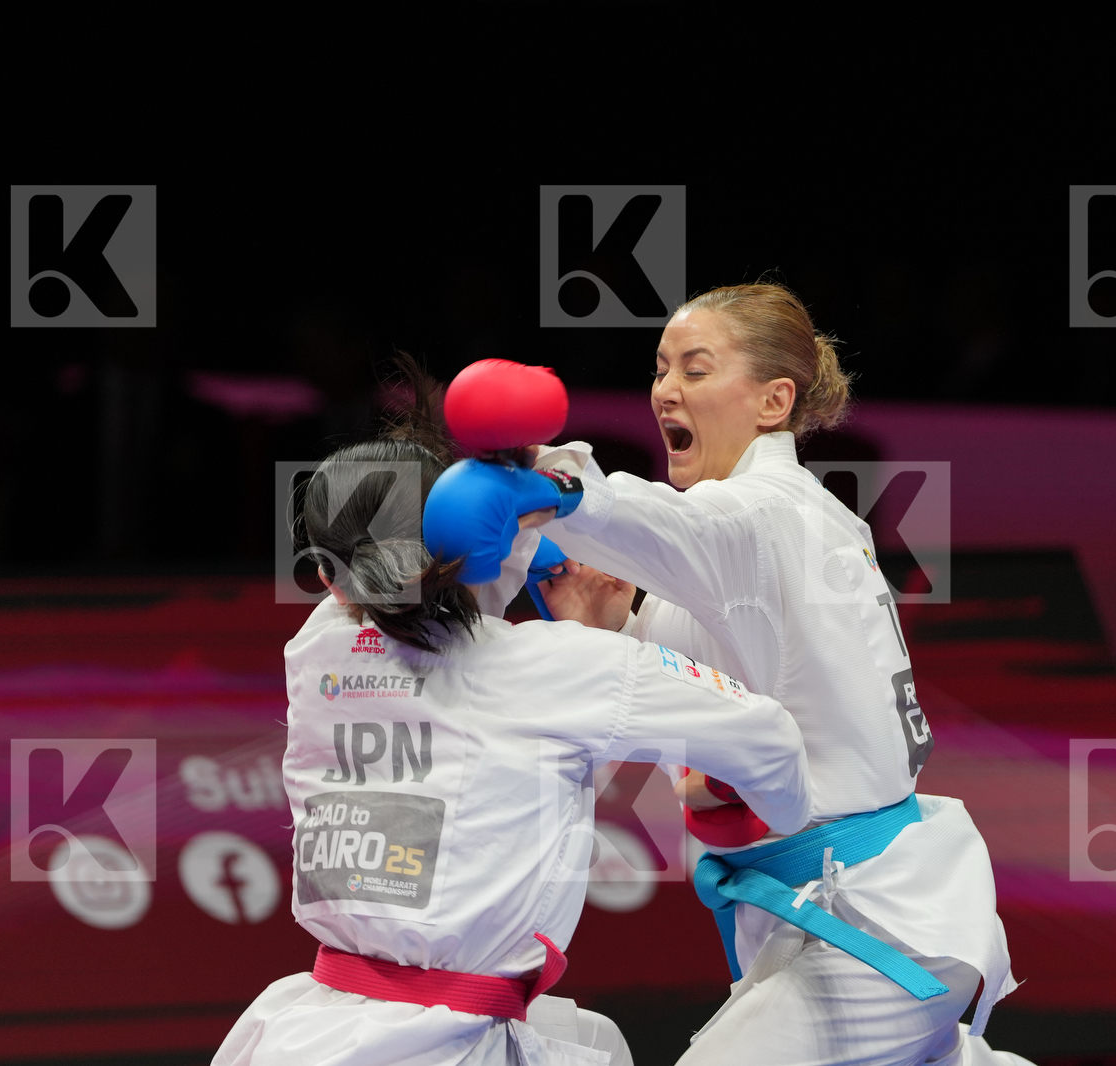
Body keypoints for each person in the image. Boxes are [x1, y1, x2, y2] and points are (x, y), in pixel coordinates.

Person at [441, 285, 1032, 1066]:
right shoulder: (784, 525)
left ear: (772, 400)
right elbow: (716, 688)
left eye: (694, 368)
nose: (665, 390)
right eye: (659, 370)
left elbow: (647, 521)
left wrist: (545, 484)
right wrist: (616, 622)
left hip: (869, 932)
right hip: (866, 913)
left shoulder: (762, 515)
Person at [211, 360, 812, 1066]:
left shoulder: (317, 648)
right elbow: (770, 740)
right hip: (445, 1047)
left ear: (321, 576)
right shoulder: (555, 668)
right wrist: (775, 814)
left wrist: (523, 552)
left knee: (594, 1043)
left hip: (307, 1029)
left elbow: (429, 630)